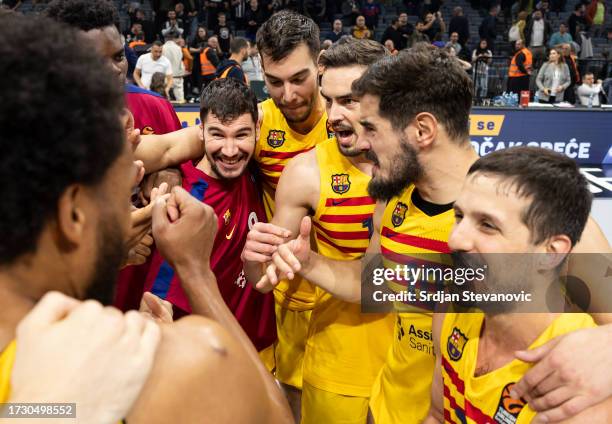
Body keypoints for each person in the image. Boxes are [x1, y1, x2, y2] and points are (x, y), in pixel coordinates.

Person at [257, 44, 612, 424]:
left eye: (373, 128)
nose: (363, 142)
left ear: (423, 130)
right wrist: (308, 262)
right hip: (391, 406)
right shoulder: (392, 199)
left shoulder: (534, 219)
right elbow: (374, 284)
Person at [0, 13, 292, 423]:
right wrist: (194, 271)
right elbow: (275, 417)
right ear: (72, 215)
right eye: (123, 195)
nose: (136, 206)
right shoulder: (152, 364)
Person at [132, 11, 330, 420]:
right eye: (275, 82)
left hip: (348, 305)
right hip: (279, 304)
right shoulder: (253, 122)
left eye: (299, 78)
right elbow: (169, 151)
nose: (288, 94)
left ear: (320, 64)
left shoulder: (353, 124)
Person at [242, 37, 394, 424]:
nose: (334, 116)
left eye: (351, 100)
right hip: (338, 357)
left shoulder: (424, 169)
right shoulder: (306, 172)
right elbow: (263, 277)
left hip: (417, 359)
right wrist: (255, 258)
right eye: (331, 100)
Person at [426, 147, 612, 423]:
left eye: (488, 225)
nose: (455, 239)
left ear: (551, 252)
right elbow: (438, 414)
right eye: (459, 216)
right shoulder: (452, 310)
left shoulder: (581, 393)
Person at [46, 0, 184, 313]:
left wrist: (172, 173)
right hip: (66, 306)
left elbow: (181, 162)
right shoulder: (36, 130)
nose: (113, 69)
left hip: (145, 299)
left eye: (118, 56)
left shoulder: (155, 108)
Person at [136, 78, 274, 350]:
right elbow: (156, 303)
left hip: (262, 348)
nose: (231, 151)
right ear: (200, 132)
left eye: (241, 135)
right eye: (218, 135)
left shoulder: (255, 168)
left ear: (257, 129)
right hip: (215, 360)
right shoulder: (186, 203)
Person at [162, 30, 186, 103]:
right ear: (174, 39)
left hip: (166, 77)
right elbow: (180, 63)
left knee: (164, 101)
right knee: (180, 101)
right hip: (177, 77)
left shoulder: (162, 47)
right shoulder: (178, 48)